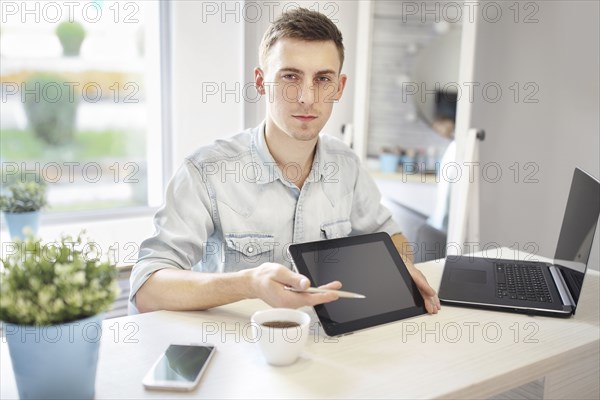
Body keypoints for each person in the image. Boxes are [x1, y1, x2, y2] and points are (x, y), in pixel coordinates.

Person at [130, 8, 441, 314]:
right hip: (235, 352)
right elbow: (147, 290)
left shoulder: (346, 166)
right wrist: (248, 283)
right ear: (261, 81)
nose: (306, 97)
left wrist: (401, 265)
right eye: (290, 76)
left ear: (339, 88)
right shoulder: (206, 170)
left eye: (322, 79)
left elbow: (392, 237)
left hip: (327, 348)